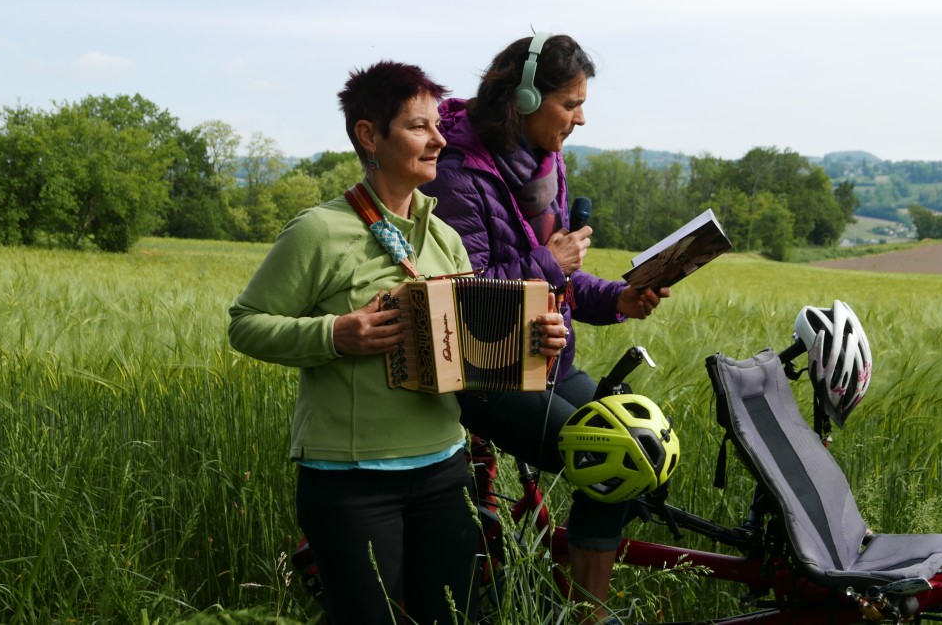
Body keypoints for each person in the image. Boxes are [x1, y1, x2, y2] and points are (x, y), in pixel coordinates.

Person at [227, 60, 568, 624]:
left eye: (437, 125)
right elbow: (245, 322)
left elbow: (470, 355)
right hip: (350, 483)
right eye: (418, 127)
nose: (439, 139)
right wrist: (336, 334)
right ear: (369, 135)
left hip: (444, 470)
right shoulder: (318, 231)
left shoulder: (445, 238)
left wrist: (535, 341)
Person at [420, 33, 671, 621]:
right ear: (524, 97)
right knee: (611, 456)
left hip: (553, 364)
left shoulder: (543, 165)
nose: (581, 118)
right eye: (570, 103)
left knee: (645, 450)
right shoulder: (457, 174)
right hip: (490, 376)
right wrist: (547, 263)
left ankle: (564, 592)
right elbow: (462, 299)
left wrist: (621, 300)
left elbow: (561, 279)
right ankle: (589, 612)